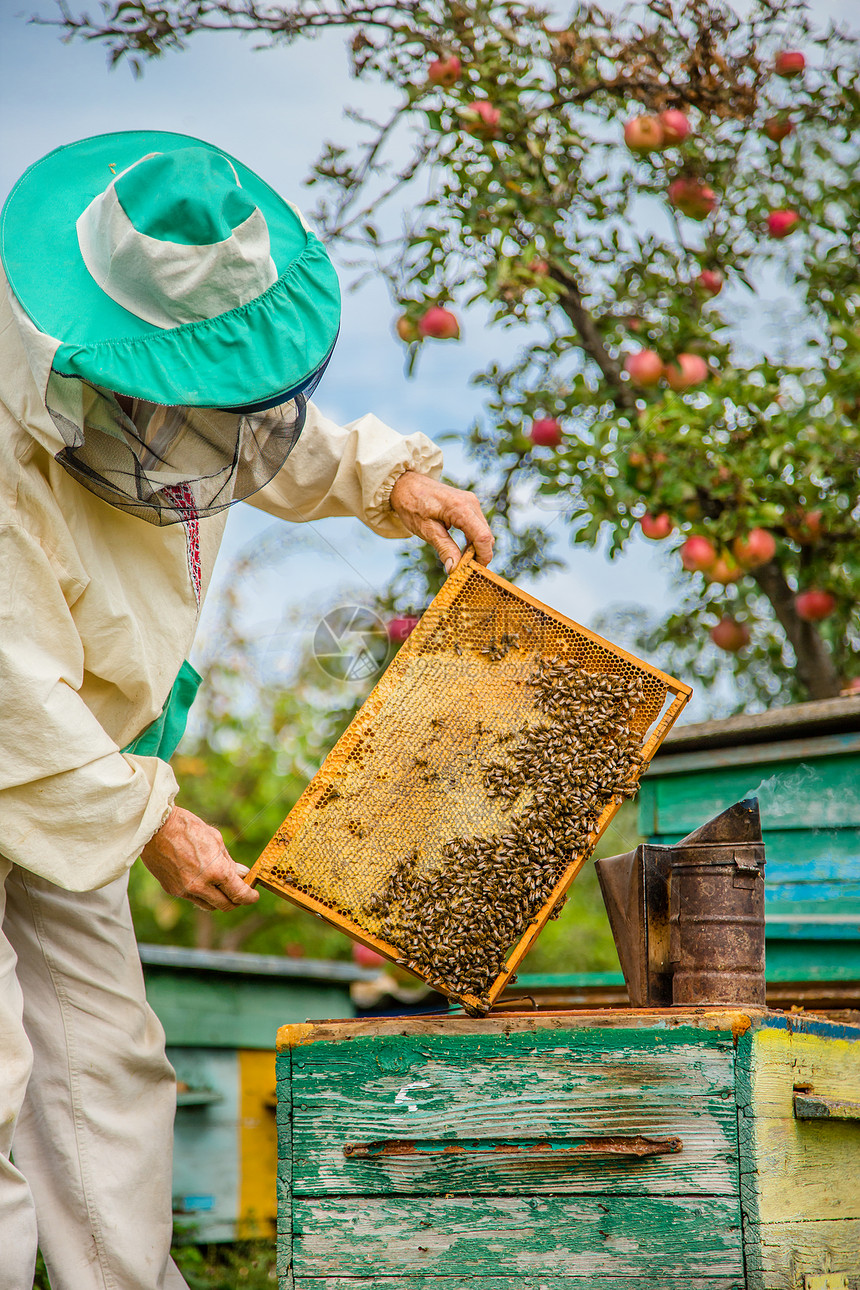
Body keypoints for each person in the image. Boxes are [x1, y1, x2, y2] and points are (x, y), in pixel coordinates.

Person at [0, 131, 493, 1290]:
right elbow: (9, 687)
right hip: (36, 734)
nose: (224, 422)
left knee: (107, 1066)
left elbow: (257, 429)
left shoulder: (190, 395)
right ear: (107, 370)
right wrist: (156, 817)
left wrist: (388, 476)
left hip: (86, 755)